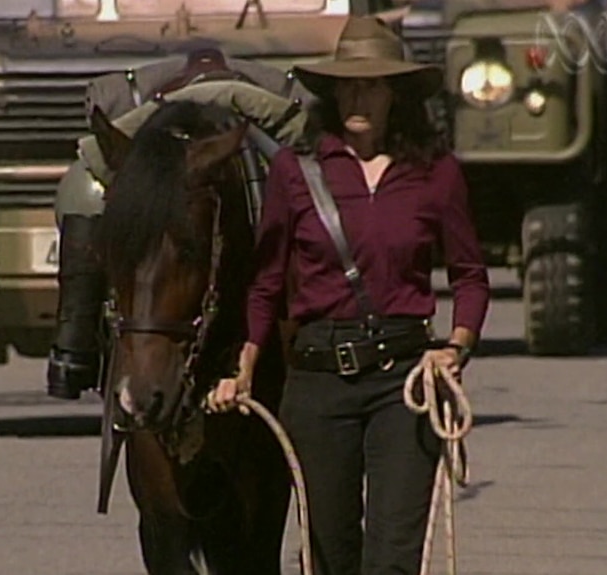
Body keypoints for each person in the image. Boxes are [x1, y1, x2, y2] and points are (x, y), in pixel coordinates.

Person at [206, 15, 490, 575]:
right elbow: (265, 282)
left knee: (393, 561)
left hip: (403, 382)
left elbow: (470, 277)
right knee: (330, 556)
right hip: (317, 385)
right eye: (349, 83)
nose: (359, 95)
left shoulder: (435, 174)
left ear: (396, 94)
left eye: (374, 83)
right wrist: (243, 367)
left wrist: (454, 350)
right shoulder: (296, 171)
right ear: (332, 91)